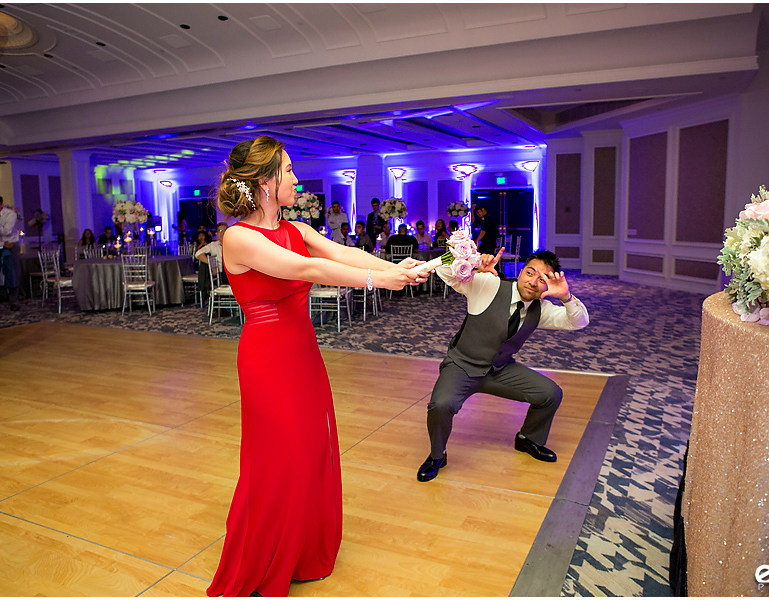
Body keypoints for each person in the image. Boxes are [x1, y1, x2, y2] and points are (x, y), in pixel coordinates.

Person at [206, 135, 426, 597]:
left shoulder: (295, 228)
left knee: (309, 450)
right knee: (276, 460)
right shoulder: (239, 238)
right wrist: (378, 281)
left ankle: (301, 551)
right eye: (288, 170)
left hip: (304, 352)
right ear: (265, 181)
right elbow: (304, 271)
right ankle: (262, 559)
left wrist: (396, 266)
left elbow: (339, 253)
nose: (296, 178)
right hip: (268, 360)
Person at [417, 248, 590, 482]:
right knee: (440, 404)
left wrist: (565, 297)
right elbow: (445, 272)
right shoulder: (488, 284)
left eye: (542, 279)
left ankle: (529, 439)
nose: (533, 282)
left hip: (499, 370)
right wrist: (473, 265)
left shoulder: (541, 310)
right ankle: (438, 455)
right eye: (530, 273)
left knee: (550, 393)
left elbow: (578, 322)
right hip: (462, 365)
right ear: (520, 272)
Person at [0, 195, 21, 311]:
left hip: (11, 245)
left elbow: (6, 231)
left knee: (13, 272)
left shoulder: (10, 214)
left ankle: (14, 301)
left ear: (1, 205)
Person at [195, 223, 228, 291]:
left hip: (233, 274)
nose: (222, 233)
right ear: (216, 233)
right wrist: (212, 264)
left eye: (224, 231)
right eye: (220, 231)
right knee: (203, 266)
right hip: (220, 275)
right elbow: (198, 254)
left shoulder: (234, 244)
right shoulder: (213, 245)